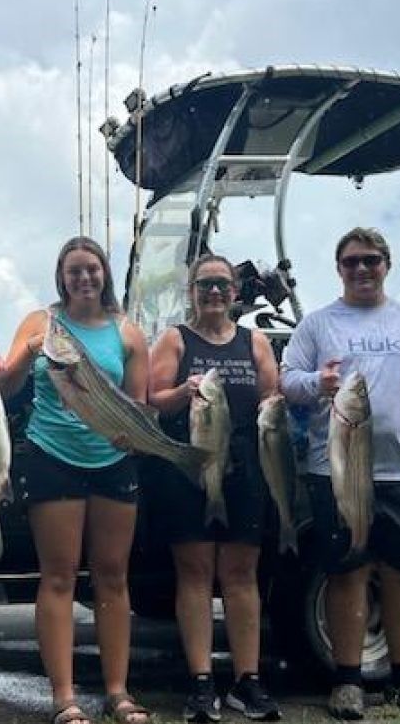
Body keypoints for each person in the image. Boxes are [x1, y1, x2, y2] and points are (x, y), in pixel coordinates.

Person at [279, 228, 400, 719]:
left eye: (371, 261)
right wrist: (320, 381)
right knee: (347, 573)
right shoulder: (318, 325)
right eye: (352, 262)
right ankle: (347, 680)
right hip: (336, 470)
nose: (362, 269)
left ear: (387, 264)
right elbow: (287, 381)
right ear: (339, 269)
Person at [0, 236, 153, 724]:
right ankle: (63, 697)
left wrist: (135, 434)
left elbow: (138, 404)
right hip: (52, 458)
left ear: (105, 274)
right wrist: (26, 350)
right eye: (74, 271)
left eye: (92, 269)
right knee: (59, 576)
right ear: (60, 278)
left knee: (112, 576)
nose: (84, 278)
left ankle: (118, 692)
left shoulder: (129, 334)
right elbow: (6, 386)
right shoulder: (40, 323)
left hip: (112, 462)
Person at [147, 255, 281, 722]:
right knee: (196, 573)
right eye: (205, 285)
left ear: (235, 292)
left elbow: (272, 399)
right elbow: (153, 400)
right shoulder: (173, 339)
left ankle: (248, 679)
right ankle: (202, 681)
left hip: (245, 465)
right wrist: (183, 393)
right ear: (192, 291)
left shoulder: (255, 342)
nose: (215, 293)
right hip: (190, 463)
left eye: (223, 285)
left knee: (241, 575)